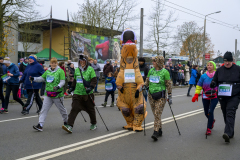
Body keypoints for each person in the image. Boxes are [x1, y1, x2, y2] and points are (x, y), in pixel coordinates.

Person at [116, 29, 147, 132]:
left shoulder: (136, 69)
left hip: (135, 97)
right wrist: (119, 87)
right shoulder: (122, 69)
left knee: (140, 108)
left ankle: (137, 124)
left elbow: (141, 82)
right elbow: (118, 82)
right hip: (124, 97)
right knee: (124, 108)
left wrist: (139, 90)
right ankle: (129, 123)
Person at [62, 54, 97, 133]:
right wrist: (72, 88)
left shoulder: (90, 69)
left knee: (91, 110)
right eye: (80, 61)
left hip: (87, 94)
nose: (82, 62)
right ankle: (69, 126)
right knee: (74, 108)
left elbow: (94, 80)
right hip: (77, 93)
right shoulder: (77, 70)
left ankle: (94, 123)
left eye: (83, 61)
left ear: (86, 61)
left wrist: (90, 87)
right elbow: (75, 80)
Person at [210, 51, 240, 143]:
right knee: (225, 113)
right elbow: (214, 81)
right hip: (223, 95)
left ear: (232, 61)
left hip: (235, 95)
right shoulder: (219, 70)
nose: (227, 63)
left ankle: (227, 133)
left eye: (229, 61)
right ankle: (230, 131)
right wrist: (213, 84)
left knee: (230, 112)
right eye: (225, 61)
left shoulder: (238, 69)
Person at [31, 58, 68, 131]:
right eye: (52, 63)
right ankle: (40, 125)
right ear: (50, 64)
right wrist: (34, 79)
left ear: (57, 63)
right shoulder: (47, 71)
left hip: (57, 94)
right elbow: (41, 78)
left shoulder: (60, 71)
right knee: (44, 110)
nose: (53, 64)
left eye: (55, 63)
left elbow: (62, 81)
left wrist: (58, 87)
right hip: (48, 94)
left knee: (62, 110)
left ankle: (66, 122)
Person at [144, 56, 172, 141]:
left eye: (154, 61)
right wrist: (143, 87)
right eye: (153, 61)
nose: (153, 63)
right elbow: (147, 82)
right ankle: (160, 129)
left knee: (157, 113)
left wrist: (170, 95)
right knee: (156, 114)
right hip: (151, 95)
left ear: (159, 62)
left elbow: (168, 84)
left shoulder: (165, 72)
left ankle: (155, 132)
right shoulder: (151, 71)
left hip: (161, 96)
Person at [192, 61, 218, 135]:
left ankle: (208, 128)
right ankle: (212, 120)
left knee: (210, 111)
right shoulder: (203, 76)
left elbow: (221, 84)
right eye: (208, 65)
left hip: (215, 96)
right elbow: (199, 85)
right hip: (205, 95)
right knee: (206, 112)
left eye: (211, 65)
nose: (209, 66)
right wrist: (196, 94)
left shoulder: (217, 75)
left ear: (214, 66)